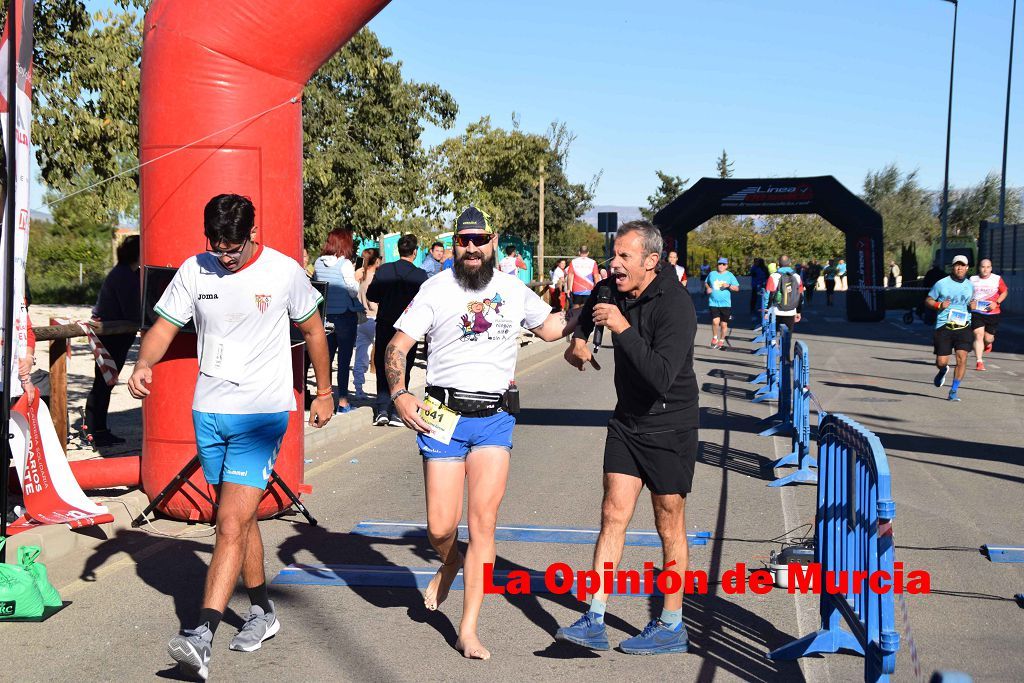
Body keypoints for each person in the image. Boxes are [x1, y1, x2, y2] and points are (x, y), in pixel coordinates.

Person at [127, 194, 334, 681]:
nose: (224, 256)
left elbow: (315, 330)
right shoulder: (195, 271)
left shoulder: (283, 272)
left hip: (261, 415)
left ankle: (201, 636)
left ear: (252, 233)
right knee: (237, 522)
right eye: (216, 246)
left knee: (226, 525)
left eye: (233, 248)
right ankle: (263, 611)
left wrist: (323, 392)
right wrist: (142, 363)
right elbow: (164, 327)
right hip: (209, 413)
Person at [386, 206, 579, 660]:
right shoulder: (434, 289)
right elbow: (396, 346)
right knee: (439, 526)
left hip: (494, 417)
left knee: (484, 523)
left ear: (494, 242)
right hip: (441, 415)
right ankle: (451, 560)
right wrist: (399, 394)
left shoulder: (513, 289)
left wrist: (589, 310)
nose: (471, 248)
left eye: (480, 240)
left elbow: (550, 327)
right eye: (463, 240)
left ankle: (468, 628)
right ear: (454, 244)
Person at [555, 220, 697, 656]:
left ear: (651, 262)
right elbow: (595, 298)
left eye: (624, 258)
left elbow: (659, 376)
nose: (613, 265)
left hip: (669, 424)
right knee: (612, 513)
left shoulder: (676, 306)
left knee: (668, 523)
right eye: (612, 256)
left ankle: (672, 624)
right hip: (626, 421)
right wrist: (580, 338)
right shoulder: (612, 289)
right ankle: (594, 615)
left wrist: (619, 328)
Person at [85, 235, 142, 447]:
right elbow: (132, 309)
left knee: (104, 382)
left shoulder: (127, 273)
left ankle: (95, 429)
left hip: (115, 334)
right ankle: (95, 430)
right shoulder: (124, 276)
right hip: (110, 335)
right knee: (104, 383)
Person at [366, 233, 427, 426]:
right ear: (415, 252)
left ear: (399, 250)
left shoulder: (384, 271)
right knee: (404, 365)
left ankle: (382, 409)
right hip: (408, 328)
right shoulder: (420, 275)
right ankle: (397, 411)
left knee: (383, 365)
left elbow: (372, 294)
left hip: (384, 324)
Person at [313, 228, 363, 414]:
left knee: (326, 359)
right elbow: (352, 290)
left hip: (326, 317)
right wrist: (357, 279)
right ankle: (342, 401)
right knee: (344, 360)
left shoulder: (318, 263)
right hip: (345, 316)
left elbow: (318, 286)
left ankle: (325, 397)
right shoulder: (346, 264)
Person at [926, 255, 975, 401]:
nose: (960, 268)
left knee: (962, 358)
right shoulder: (941, 284)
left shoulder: (970, 285)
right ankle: (942, 370)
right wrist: (939, 305)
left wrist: (973, 306)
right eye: (957, 265)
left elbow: (971, 302)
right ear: (952, 267)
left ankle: (953, 391)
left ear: (967, 268)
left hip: (964, 325)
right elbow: (928, 300)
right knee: (942, 361)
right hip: (944, 326)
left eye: (963, 265)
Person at [969, 258, 1007, 371]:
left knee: (988, 338)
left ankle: (988, 344)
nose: (985, 269)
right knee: (978, 335)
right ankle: (979, 362)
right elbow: (967, 294)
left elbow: (1004, 291)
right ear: (979, 268)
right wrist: (970, 303)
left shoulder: (997, 279)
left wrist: (997, 302)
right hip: (977, 312)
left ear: (991, 268)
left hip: (992, 312)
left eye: (987, 267)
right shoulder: (972, 279)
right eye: (983, 267)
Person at [353, 247, 381, 399]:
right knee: (381, 355)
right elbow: (375, 302)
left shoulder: (358, 276)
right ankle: (382, 391)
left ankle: (358, 387)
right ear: (377, 260)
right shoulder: (376, 278)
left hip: (360, 319)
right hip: (374, 318)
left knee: (360, 355)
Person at [704, 257, 739, 349]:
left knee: (723, 324)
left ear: (726, 266)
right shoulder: (712, 274)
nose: (721, 266)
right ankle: (715, 337)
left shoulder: (730, 275)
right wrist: (708, 288)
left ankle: (722, 339)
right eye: (720, 264)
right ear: (717, 265)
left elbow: (737, 288)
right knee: (715, 321)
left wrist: (729, 285)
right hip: (713, 302)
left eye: (723, 264)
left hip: (725, 304)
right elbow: (706, 282)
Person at [766, 255, 804, 332]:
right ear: (790, 263)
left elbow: (768, 294)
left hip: (775, 310)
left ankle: (774, 343)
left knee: (772, 335)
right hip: (791, 310)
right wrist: (799, 311)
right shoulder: (797, 276)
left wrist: (766, 310)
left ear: (778, 264)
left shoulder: (773, 276)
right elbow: (800, 295)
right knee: (787, 336)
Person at [567, 245, 601, 309]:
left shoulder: (573, 262)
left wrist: (569, 288)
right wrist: (598, 288)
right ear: (588, 253)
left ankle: (574, 318)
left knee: (575, 306)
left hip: (576, 288)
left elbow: (570, 276)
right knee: (585, 308)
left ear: (579, 252)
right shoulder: (593, 262)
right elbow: (596, 277)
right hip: (589, 289)